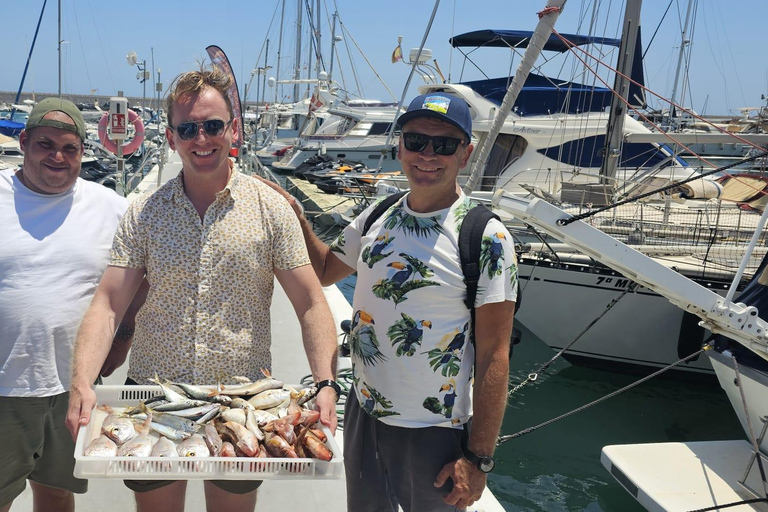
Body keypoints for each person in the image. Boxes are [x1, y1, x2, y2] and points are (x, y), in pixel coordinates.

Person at [65, 65, 340, 512]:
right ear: (171, 138)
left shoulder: (271, 208)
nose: (201, 139)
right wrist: (82, 381)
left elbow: (310, 301)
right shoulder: (144, 212)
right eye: (188, 128)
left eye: (212, 126)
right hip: (156, 399)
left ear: (232, 130)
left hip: (243, 400)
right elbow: (109, 302)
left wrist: (326, 382)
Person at [265, 92, 518, 511]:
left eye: (445, 144)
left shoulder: (486, 237)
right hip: (364, 415)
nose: (428, 154)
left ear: (466, 153)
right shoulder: (377, 215)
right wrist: (294, 213)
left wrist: (478, 459)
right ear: (400, 145)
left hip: (435, 431)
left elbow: (495, 354)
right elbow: (327, 269)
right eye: (417, 140)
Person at [0, 98, 137, 512]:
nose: (57, 157)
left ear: (82, 152)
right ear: (23, 142)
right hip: (5, 388)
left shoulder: (110, 206)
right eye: (45, 144)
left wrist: (123, 339)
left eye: (70, 149)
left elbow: (142, 276)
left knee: (57, 493)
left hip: (74, 386)